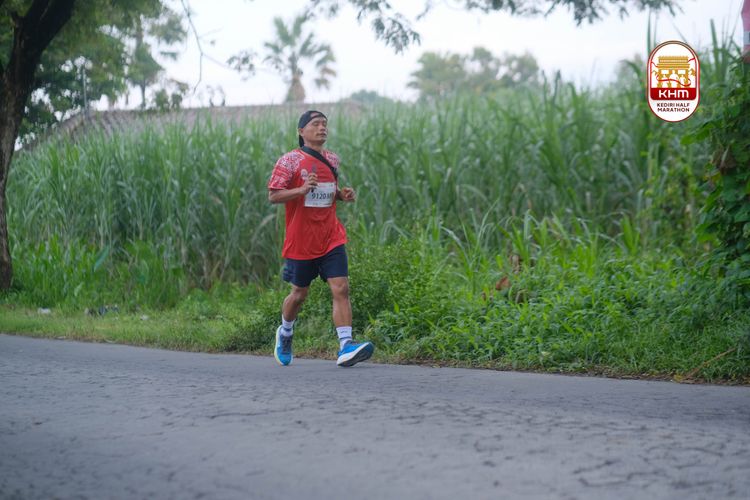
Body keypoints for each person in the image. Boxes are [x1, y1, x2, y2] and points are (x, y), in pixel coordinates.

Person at [267, 110, 374, 367]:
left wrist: (341, 195)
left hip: (330, 236)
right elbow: (274, 195)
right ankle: (286, 332)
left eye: (324, 124)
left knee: (341, 287)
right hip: (301, 240)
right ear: (301, 131)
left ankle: (345, 345)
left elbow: (327, 189)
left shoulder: (332, 159)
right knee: (299, 294)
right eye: (315, 124)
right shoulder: (289, 161)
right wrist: (301, 189)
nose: (322, 128)